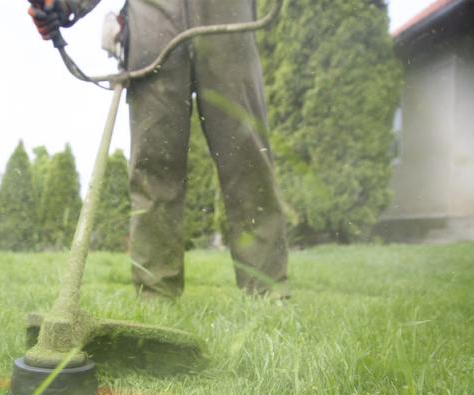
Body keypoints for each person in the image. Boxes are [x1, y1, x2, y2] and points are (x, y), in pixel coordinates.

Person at [29, 0, 288, 298]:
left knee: (248, 160)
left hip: (228, 18)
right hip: (152, 21)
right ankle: (155, 299)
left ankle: (268, 294)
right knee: (154, 163)